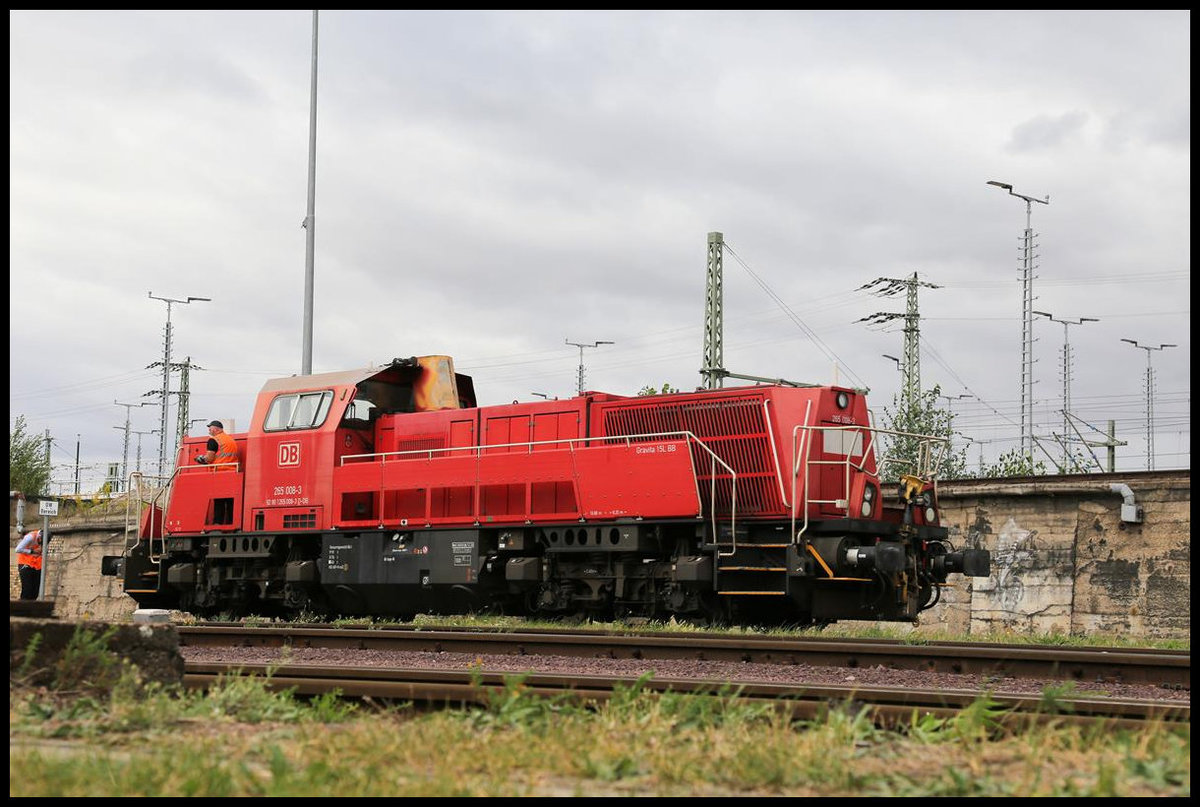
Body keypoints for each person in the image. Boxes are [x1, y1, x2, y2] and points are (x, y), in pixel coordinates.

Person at [14, 529, 43, 600]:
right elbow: (17, 549)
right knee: (27, 590)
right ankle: (22, 609)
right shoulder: (30, 537)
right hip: (25, 564)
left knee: (35, 592)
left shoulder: (46, 538)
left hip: (38, 566)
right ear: (39, 537)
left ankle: (31, 609)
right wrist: (32, 551)